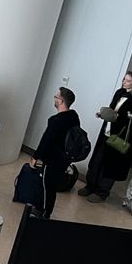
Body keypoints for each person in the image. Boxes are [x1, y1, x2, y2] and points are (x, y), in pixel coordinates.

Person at [81, 71, 132, 204]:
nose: (124, 82)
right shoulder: (119, 93)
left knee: (110, 164)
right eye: (124, 79)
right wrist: (103, 114)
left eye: (127, 81)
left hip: (120, 137)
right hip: (107, 132)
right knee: (98, 160)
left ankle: (102, 192)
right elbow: (112, 109)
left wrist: (119, 118)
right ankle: (90, 185)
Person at [30, 87, 83, 219]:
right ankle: (43, 209)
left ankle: (43, 212)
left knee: (47, 185)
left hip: (53, 159)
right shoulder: (74, 117)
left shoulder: (56, 121)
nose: (54, 98)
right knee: (51, 185)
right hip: (65, 158)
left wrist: (36, 156)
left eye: (56, 96)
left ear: (60, 100)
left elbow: (47, 140)